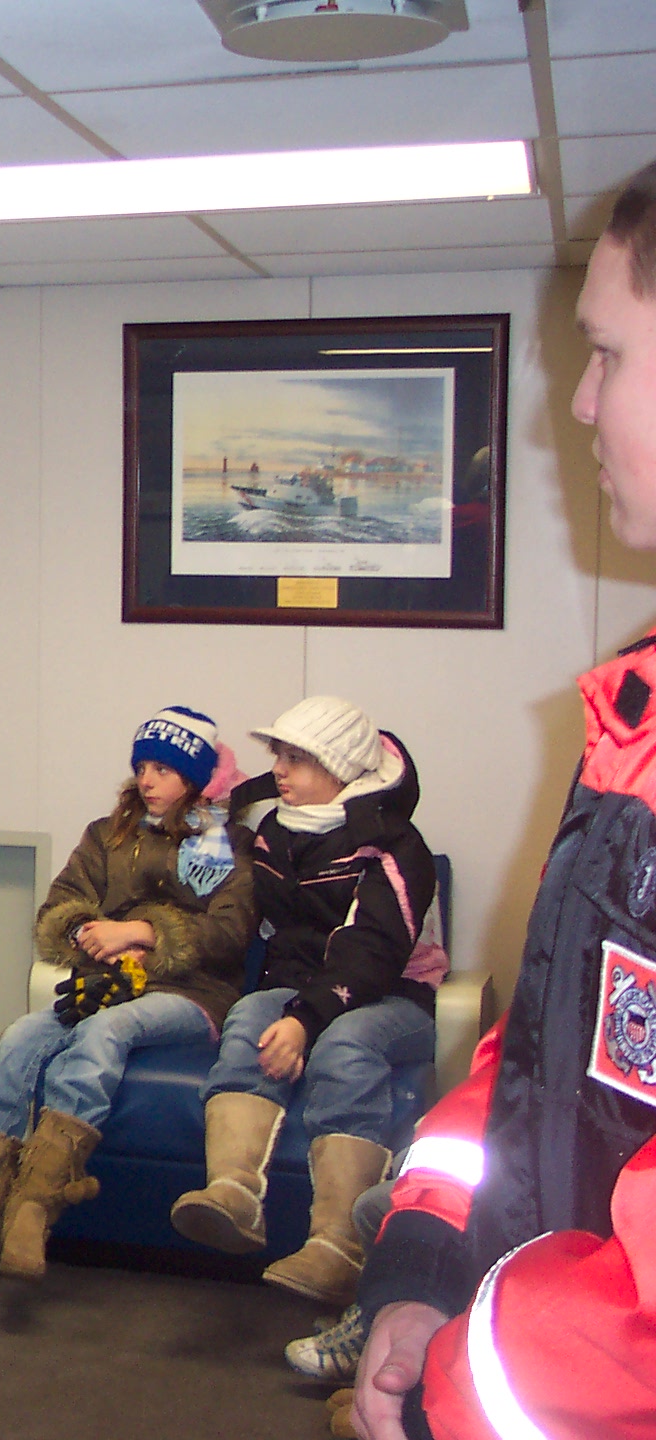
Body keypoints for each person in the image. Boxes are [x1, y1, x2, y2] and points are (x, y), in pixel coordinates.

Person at [344, 162, 656, 1440]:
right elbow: (539, 1059)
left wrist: (464, 1385)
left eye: (607, 353)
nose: (574, 403)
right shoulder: (633, 727)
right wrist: (428, 1259)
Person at [0, 707, 255, 1295]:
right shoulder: (105, 834)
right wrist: (90, 932)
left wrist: (141, 933)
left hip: (192, 994)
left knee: (103, 1033)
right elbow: (60, 906)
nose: (147, 780)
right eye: (142, 766)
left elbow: (229, 933)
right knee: (19, 1037)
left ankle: (34, 1208)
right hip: (102, 984)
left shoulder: (228, 844)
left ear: (196, 778)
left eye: (163, 769)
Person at [170, 696, 441, 1310]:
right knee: (249, 1016)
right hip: (304, 990)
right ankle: (234, 1194)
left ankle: (339, 1246)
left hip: (394, 996)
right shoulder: (276, 830)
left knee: (345, 1043)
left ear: (339, 767)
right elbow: (271, 932)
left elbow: (373, 952)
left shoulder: (393, 843)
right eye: (279, 756)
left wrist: (305, 1019)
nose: (280, 771)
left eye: (296, 759)